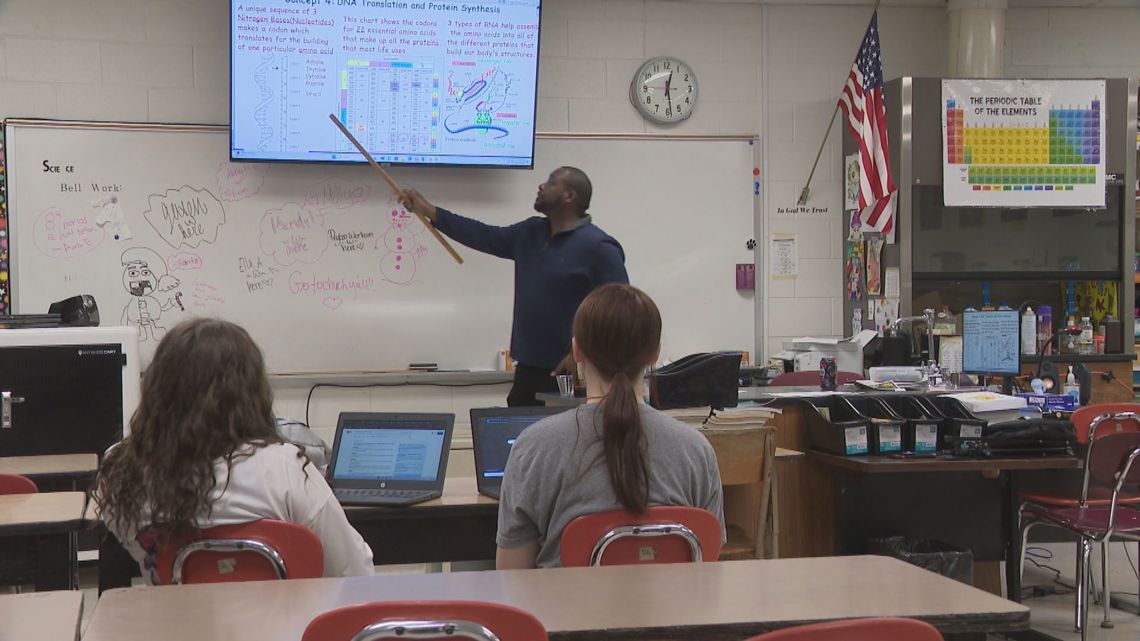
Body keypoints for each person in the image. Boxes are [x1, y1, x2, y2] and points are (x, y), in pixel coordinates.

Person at [93, 318, 374, 582]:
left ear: (157, 388)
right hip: (281, 627)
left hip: (177, 625)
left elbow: (138, 547)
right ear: (251, 393)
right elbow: (354, 571)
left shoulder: (122, 470)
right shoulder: (284, 468)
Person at [494, 284, 725, 569]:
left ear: (576, 350)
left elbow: (512, 577)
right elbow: (709, 565)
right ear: (655, 354)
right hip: (673, 612)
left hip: (565, 613)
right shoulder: (696, 451)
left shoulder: (533, 447)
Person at [400, 166, 628, 406]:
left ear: (569, 196)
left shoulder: (599, 248)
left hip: (574, 376)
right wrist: (427, 210)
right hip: (528, 371)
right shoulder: (532, 232)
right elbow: (484, 235)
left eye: (550, 182)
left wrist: (580, 353)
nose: (541, 186)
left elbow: (622, 311)